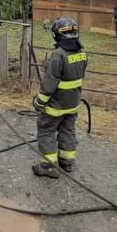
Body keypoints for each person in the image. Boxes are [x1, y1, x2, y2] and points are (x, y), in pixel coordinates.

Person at [32, 17, 88, 178]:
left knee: (46, 131)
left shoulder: (58, 55)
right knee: (68, 130)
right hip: (73, 104)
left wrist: (38, 102)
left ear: (57, 35)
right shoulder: (82, 53)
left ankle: (49, 167)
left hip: (55, 106)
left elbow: (49, 84)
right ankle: (67, 162)